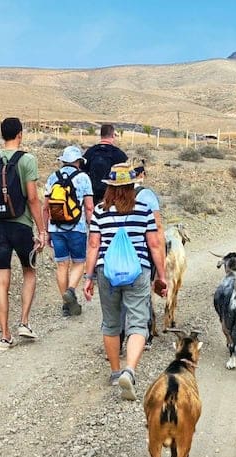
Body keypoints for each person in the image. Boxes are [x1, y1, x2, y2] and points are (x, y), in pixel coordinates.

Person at [83, 163, 168, 401]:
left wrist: (88, 277)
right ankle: (130, 370)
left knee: (110, 322)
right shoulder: (143, 210)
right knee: (138, 322)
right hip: (138, 271)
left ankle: (114, 372)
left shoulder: (100, 211)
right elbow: (154, 244)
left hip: (106, 272)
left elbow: (93, 245)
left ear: (109, 187)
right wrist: (162, 276)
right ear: (132, 186)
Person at [0, 117, 47, 350]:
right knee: (29, 271)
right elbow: (32, 197)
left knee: (1, 281)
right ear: (19, 134)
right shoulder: (27, 160)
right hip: (21, 226)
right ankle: (24, 322)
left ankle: (5, 336)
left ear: (2, 134)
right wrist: (41, 230)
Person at [42, 145, 94, 317]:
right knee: (79, 262)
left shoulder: (52, 178)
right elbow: (89, 207)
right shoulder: (84, 178)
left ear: (63, 161)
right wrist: (92, 228)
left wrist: (46, 230)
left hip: (56, 227)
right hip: (77, 228)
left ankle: (66, 306)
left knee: (61, 264)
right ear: (78, 161)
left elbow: (45, 208)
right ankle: (71, 291)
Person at [120, 161, 164, 349]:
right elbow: (157, 228)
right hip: (140, 252)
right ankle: (143, 334)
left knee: (117, 295)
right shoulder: (147, 195)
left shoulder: (111, 195)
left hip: (116, 253)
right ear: (141, 175)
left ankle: (118, 336)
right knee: (142, 294)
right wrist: (161, 263)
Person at [82, 124, 128, 205]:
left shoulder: (90, 152)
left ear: (101, 135)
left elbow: (82, 172)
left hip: (92, 195)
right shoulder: (119, 154)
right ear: (113, 135)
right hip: (111, 197)